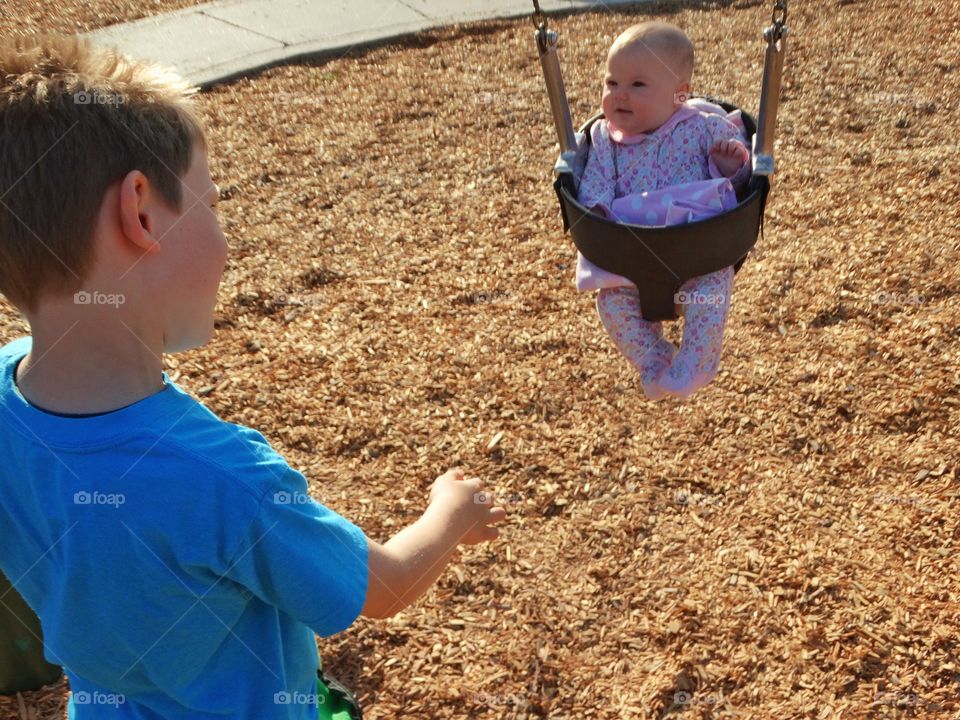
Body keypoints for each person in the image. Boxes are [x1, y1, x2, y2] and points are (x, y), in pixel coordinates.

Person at [0, 35, 505, 719]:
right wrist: (449, 516)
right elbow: (382, 587)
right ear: (141, 212)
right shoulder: (222, 480)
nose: (225, 237)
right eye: (209, 205)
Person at [576, 21, 751, 400]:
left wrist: (729, 167)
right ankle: (654, 360)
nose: (619, 95)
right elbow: (594, 186)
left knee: (713, 288)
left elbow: (738, 185)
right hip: (630, 261)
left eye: (637, 85)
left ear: (678, 95)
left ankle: (697, 363)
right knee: (611, 306)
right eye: (611, 83)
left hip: (698, 255)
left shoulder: (703, 127)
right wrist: (599, 214)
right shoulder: (605, 140)